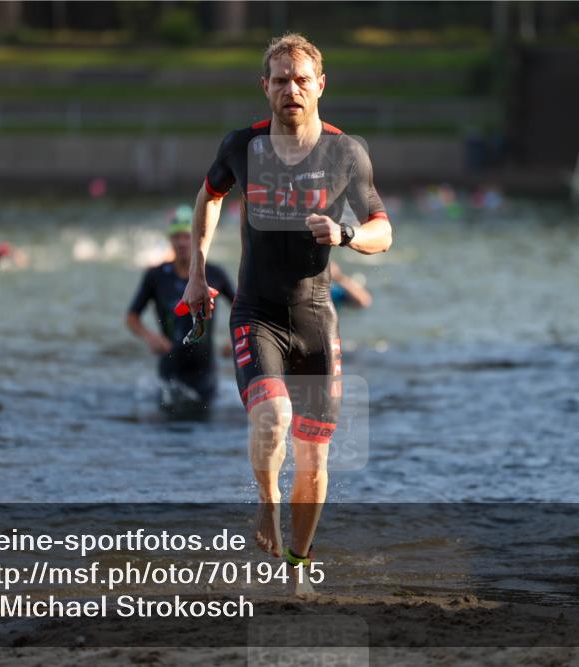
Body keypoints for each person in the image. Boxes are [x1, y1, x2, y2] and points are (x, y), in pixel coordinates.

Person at [179, 33, 393, 587]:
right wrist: (198, 273)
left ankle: (298, 569)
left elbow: (382, 230)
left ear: (320, 85)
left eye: (302, 79)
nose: (291, 89)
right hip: (258, 313)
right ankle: (266, 498)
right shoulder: (241, 146)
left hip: (317, 317)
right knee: (272, 418)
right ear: (265, 87)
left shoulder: (347, 152)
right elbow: (209, 197)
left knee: (315, 460)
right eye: (280, 80)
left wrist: (345, 234)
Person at [126, 206, 236, 414]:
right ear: (170, 240)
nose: (182, 243)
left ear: (197, 240)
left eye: (187, 237)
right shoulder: (156, 276)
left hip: (205, 372)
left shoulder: (214, 274)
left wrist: (236, 339)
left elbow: (243, 308)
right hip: (169, 370)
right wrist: (151, 338)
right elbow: (132, 318)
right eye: (177, 237)